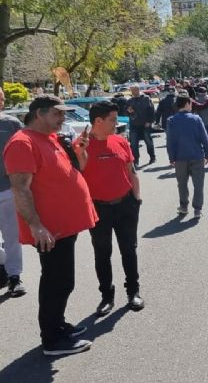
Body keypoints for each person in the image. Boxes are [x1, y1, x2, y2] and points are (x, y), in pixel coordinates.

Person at [4, 95, 98, 355]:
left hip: (63, 226)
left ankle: (58, 325)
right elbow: (20, 189)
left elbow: (76, 170)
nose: (63, 118)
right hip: (49, 230)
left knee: (62, 280)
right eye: (57, 114)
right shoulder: (22, 143)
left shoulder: (52, 138)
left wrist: (79, 151)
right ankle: (52, 339)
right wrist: (36, 226)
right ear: (39, 114)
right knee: (57, 281)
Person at [81, 101, 144, 316]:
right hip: (99, 209)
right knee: (102, 253)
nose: (116, 124)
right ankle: (106, 296)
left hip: (126, 204)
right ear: (98, 121)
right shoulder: (82, 146)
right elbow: (77, 176)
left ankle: (133, 292)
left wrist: (137, 198)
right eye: (113, 120)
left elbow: (131, 170)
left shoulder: (120, 141)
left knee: (129, 250)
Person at [167, 94, 208, 219]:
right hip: (197, 156)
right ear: (187, 104)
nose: (192, 105)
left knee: (182, 184)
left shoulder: (171, 120)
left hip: (180, 158)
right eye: (191, 103)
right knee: (198, 184)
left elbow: (170, 141)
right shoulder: (196, 119)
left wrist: (171, 157)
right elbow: (205, 139)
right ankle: (197, 209)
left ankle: (184, 206)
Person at [0, 86, 26, 297]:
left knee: (12, 236)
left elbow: (25, 150)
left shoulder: (11, 123)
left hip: (8, 189)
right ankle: (4, 264)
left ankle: (14, 277)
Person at [126, 84, 155, 167]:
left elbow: (152, 111)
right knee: (134, 144)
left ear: (138, 90)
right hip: (134, 125)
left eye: (134, 90)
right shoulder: (129, 101)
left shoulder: (146, 98)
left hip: (145, 124)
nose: (132, 92)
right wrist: (129, 111)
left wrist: (149, 121)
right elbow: (125, 112)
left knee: (148, 142)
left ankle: (152, 157)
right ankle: (136, 161)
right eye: (131, 90)